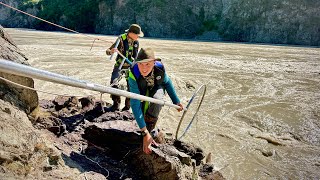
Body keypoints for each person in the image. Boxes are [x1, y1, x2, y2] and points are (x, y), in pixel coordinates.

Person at [128, 48, 183, 154]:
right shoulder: (133, 74)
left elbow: (167, 83)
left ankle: (151, 129)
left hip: (156, 86)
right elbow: (135, 103)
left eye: (147, 64)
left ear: (154, 62)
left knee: (157, 101)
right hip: (141, 87)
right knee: (142, 107)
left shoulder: (159, 69)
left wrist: (176, 101)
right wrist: (144, 132)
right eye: (141, 64)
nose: (144, 69)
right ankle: (145, 131)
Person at [106, 24, 144, 111]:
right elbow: (107, 51)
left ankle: (127, 107)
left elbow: (136, 57)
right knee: (113, 83)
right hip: (119, 66)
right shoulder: (121, 39)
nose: (138, 37)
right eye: (137, 35)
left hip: (130, 67)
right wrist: (111, 51)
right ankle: (116, 104)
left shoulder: (136, 43)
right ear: (131, 33)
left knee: (132, 87)